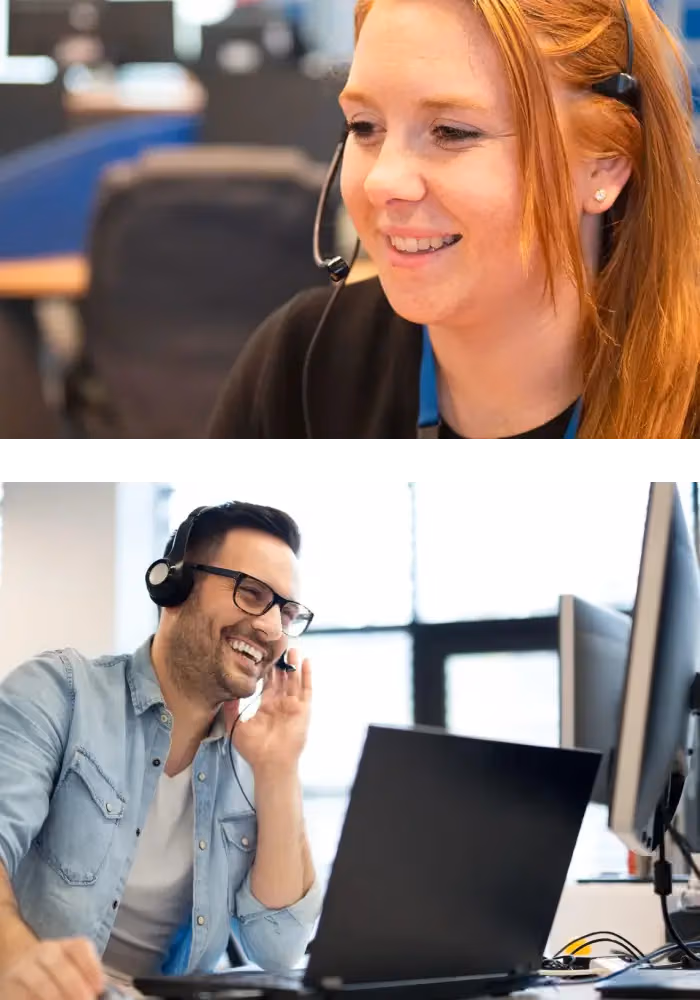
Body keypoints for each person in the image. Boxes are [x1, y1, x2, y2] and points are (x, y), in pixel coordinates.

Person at [207, 0, 700, 440]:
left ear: (605, 162)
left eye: (451, 131)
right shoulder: (302, 362)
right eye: (364, 126)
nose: (382, 181)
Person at [0, 501, 321, 1000]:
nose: (271, 628)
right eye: (252, 593)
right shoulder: (59, 693)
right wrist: (17, 957)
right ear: (173, 587)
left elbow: (277, 949)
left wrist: (279, 769)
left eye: (287, 612)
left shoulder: (252, 759)